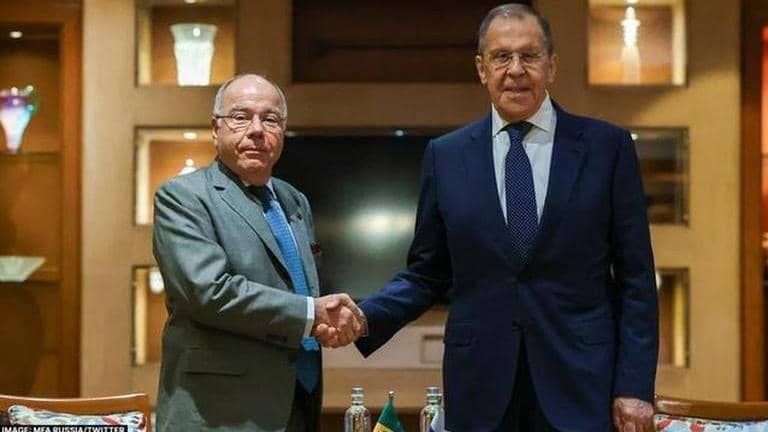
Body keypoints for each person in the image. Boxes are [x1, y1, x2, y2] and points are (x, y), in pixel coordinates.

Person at [355, 4, 659, 431]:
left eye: (529, 56)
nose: (515, 70)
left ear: (551, 66)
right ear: (482, 69)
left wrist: (635, 386)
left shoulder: (607, 148)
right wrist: (364, 317)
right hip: (480, 389)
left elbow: (636, 279)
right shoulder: (446, 156)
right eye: (501, 57)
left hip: (582, 385)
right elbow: (426, 273)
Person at [153, 73, 362, 432]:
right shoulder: (183, 197)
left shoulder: (294, 201)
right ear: (215, 129)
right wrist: (310, 313)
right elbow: (209, 292)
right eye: (240, 117)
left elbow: (299, 291)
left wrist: (323, 323)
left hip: (297, 402)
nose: (256, 130)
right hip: (220, 413)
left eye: (270, 119)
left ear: (282, 131)